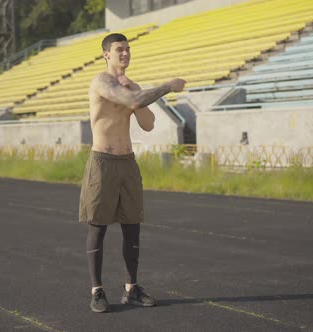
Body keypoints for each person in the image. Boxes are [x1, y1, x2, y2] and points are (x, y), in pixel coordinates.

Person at [79, 33, 186, 313]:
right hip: (102, 160)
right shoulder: (101, 82)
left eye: (127, 49)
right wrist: (168, 86)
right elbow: (133, 100)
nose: (125, 53)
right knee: (98, 226)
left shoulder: (132, 86)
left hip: (127, 161)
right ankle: (97, 291)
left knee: (132, 226)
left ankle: (132, 288)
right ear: (106, 54)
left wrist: (136, 97)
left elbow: (148, 123)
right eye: (119, 50)